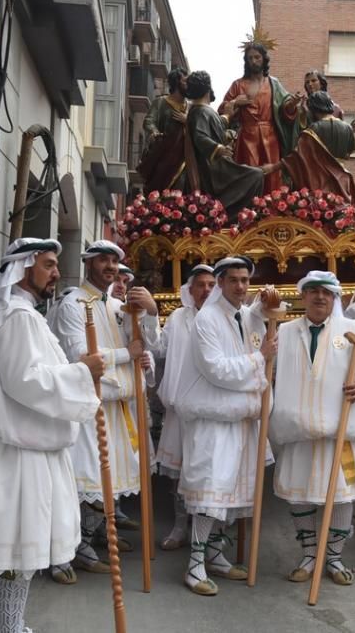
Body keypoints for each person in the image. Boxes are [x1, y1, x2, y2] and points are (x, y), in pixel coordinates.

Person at [0, 238, 104, 632]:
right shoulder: (17, 317)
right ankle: (5, 628)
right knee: (12, 551)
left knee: (16, 551)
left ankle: (9, 625)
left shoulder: (19, 314)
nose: (57, 272)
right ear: (24, 268)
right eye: (49, 264)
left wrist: (78, 372)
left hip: (19, 451)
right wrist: (82, 371)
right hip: (15, 456)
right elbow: (27, 382)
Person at [48, 240, 161, 584]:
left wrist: (151, 313)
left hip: (119, 409)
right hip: (88, 408)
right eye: (103, 261)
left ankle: (86, 540)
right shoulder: (72, 303)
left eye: (114, 261)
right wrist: (126, 355)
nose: (110, 267)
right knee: (84, 482)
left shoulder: (117, 305)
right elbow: (78, 357)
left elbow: (148, 344)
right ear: (88, 264)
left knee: (107, 485)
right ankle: (63, 552)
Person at [271, 270, 355, 586]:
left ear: (334, 297)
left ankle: (332, 557)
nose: (320, 297)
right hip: (297, 429)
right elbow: (269, 371)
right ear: (303, 295)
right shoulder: (285, 331)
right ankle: (310, 554)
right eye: (313, 291)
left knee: (342, 496)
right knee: (300, 495)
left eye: (326, 292)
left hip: (340, 430)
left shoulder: (353, 331)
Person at [173, 256, 274, 596]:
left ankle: (215, 554)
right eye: (234, 280)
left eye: (246, 280)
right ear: (220, 283)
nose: (241, 287)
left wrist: (265, 305)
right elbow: (217, 369)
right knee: (210, 492)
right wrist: (260, 359)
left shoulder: (242, 315)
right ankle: (194, 565)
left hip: (240, 419)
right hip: (212, 421)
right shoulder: (207, 320)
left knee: (228, 493)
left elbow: (257, 319)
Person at [154, 264, 216, 550]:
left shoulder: (223, 318)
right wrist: (148, 321)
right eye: (200, 285)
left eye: (211, 285)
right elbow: (160, 349)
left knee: (207, 472)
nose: (206, 290)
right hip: (180, 410)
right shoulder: (178, 318)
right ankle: (179, 526)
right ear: (189, 290)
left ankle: (207, 537)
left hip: (211, 410)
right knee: (178, 473)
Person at [185, 70, 278, 216]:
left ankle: (233, 212)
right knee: (255, 175)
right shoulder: (200, 111)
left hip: (218, 164)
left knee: (255, 173)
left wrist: (228, 113)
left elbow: (217, 125)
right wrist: (219, 148)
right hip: (214, 168)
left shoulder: (204, 111)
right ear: (207, 88)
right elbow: (200, 136)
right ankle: (232, 213)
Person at [219, 42, 299, 192]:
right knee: (249, 174)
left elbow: (285, 108)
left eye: (257, 57)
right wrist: (236, 102)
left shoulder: (274, 84)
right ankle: (247, 212)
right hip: (247, 137)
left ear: (264, 59)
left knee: (272, 177)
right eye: (250, 58)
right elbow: (222, 110)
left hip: (270, 137)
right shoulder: (238, 85)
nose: (254, 61)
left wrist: (292, 104)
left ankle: (270, 210)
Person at [280, 91, 355, 205]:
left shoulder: (314, 128)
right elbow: (347, 155)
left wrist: (276, 166)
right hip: (343, 180)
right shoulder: (347, 128)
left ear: (313, 108)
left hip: (320, 180)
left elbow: (299, 155)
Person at [138, 67, 190, 193]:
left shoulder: (190, 108)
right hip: (164, 154)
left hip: (184, 158)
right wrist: (154, 132)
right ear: (176, 83)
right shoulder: (161, 102)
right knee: (160, 188)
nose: (188, 85)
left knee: (181, 187)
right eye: (185, 82)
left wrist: (188, 121)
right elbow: (149, 121)